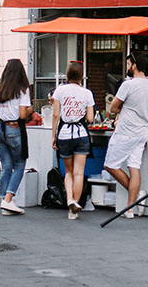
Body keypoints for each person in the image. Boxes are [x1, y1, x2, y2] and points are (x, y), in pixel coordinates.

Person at [104, 53, 148, 218]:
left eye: (128, 64)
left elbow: (112, 107)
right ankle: (131, 208)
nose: (126, 67)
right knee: (135, 167)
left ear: (134, 65)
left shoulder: (128, 85)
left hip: (126, 131)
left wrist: (122, 108)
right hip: (142, 132)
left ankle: (136, 197)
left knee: (110, 165)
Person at [52, 60, 95, 220]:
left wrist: (53, 136)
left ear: (68, 73)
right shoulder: (87, 93)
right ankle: (74, 206)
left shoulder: (60, 91)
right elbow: (90, 119)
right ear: (81, 76)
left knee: (68, 172)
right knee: (79, 173)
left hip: (64, 134)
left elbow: (56, 115)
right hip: (81, 134)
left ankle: (70, 198)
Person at [0, 59, 32, 216]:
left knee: (6, 166)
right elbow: (22, 114)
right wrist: (30, 109)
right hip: (14, 127)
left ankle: (4, 200)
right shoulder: (22, 90)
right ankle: (8, 199)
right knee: (20, 165)